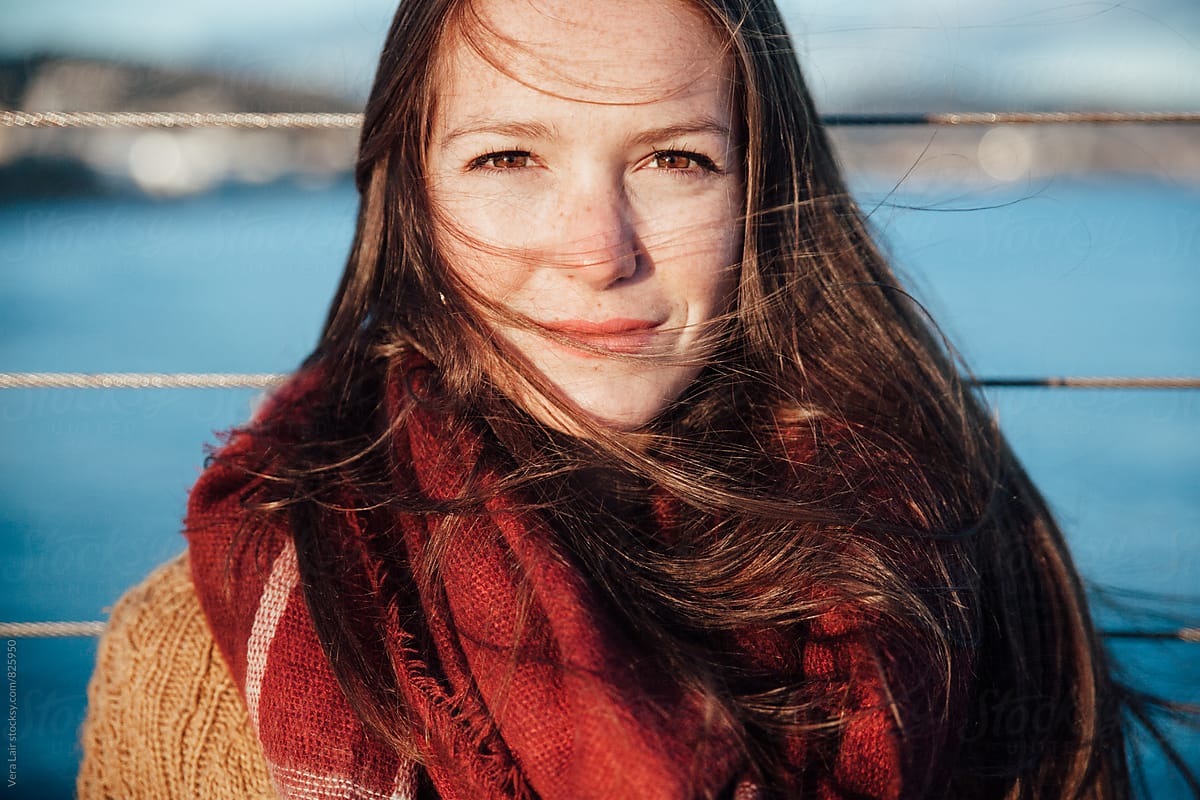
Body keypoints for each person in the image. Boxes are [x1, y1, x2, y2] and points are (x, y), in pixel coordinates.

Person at [76, 0, 1188, 797]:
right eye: (509, 157)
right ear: (409, 196)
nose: (597, 251)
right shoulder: (197, 648)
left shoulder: (960, 573)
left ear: (764, 187)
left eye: (673, 160)